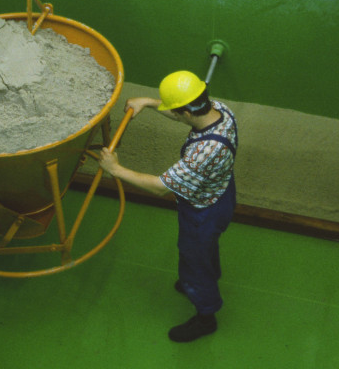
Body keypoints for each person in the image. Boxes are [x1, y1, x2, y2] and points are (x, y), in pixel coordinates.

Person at [98, 70, 237, 343]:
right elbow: (183, 112)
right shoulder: (221, 111)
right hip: (220, 193)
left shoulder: (205, 151)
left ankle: (205, 315)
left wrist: (116, 169)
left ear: (186, 113)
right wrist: (149, 103)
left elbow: (160, 187)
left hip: (203, 210)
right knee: (205, 249)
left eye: (173, 109)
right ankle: (201, 276)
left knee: (194, 258)